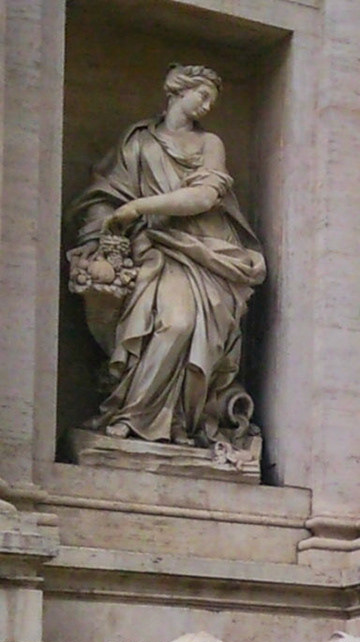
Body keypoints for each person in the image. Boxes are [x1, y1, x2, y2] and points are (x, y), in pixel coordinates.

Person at [66, 65, 266, 449]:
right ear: (177, 90)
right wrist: (101, 233)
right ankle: (132, 414)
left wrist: (139, 206)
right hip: (151, 249)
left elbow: (206, 197)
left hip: (204, 252)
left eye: (212, 100)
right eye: (201, 95)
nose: (206, 105)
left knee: (182, 325)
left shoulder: (210, 144)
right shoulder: (138, 142)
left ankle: (177, 421)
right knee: (168, 325)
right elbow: (106, 194)